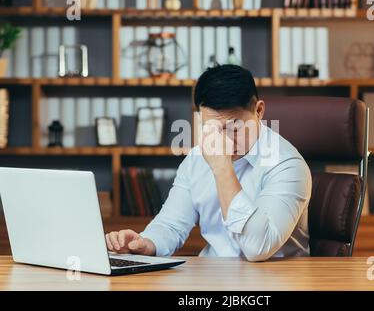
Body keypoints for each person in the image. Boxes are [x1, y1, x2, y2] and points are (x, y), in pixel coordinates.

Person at [105, 64, 312, 262]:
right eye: (211, 128)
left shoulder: (287, 164)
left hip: (274, 282)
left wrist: (222, 168)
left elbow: (258, 248)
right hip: (214, 276)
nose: (223, 141)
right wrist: (146, 243)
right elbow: (171, 224)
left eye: (234, 128)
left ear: (259, 111)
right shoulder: (196, 159)